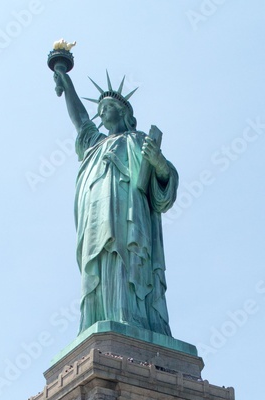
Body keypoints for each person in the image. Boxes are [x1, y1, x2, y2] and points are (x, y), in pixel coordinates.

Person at [52, 69, 179, 336]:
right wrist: (67, 82)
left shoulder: (139, 140)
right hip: (96, 217)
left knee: (127, 261)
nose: (102, 113)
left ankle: (133, 321)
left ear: (122, 112)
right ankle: (99, 320)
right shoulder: (95, 145)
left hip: (130, 214)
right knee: (100, 264)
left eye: (107, 107)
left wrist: (159, 163)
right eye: (100, 109)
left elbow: (164, 187)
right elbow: (81, 121)